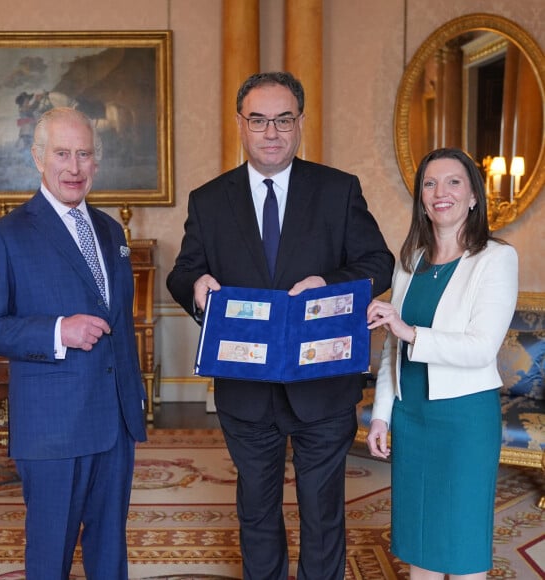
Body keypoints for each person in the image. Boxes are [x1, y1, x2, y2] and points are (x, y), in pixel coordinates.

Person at [167, 71, 394, 579]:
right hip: (245, 387)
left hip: (323, 383)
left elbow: (378, 262)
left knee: (323, 514)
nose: (271, 132)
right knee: (256, 512)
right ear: (241, 125)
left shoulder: (338, 190)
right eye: (260, 120)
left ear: (300, 123)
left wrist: (329, 283)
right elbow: (183, 272)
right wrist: (196, 287)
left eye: (283, 120)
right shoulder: (209, 199)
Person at [0, 107, 147, 579]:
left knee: (110, 554)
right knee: (50, 559)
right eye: (62, 154)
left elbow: (119, 323)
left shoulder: (110, 230)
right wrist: (57, 330)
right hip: (53, 429)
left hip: (115, 422)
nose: (74, 167)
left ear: (96, 161)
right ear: (38, 158)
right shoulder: (6, 236)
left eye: (84, 154)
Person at [366, 147, 518, 580]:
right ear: (421, 199)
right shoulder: (410, 261)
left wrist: (409, 331)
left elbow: (481, 348)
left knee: (462, 541)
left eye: (453, 182)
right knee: (420, 541)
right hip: (412, 415)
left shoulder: (495, 259)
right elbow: (390, 351)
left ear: (473, 195)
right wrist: (381, 417)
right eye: (430, 184)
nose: (440, 192)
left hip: (463, 417)